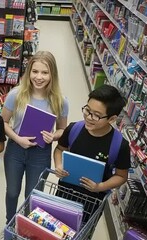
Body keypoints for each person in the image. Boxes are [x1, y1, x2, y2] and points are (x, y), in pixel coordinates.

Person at [1, 51, 69, 223]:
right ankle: (10, 222)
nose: (39, 77)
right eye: (35, 72)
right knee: (12, 192)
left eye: (45, 73)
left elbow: (62, 130)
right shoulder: (16, 94)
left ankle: (27, 226)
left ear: (52, 74)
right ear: (29, 72)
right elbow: (3, 123)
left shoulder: (60, 101)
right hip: (15, 150)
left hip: (40, 152)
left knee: (33, 195)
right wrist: (17, 139)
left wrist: (53, 136)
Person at [54, 84, 130, 221]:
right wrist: (59, 165)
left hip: (92, 202)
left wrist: (100, 186)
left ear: (112, 119)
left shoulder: (120, 145)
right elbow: (59, 149)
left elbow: (121, 176)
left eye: (96, 116)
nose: (89, 117)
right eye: (87, 110)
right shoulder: (74, 129)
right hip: (64, 193)